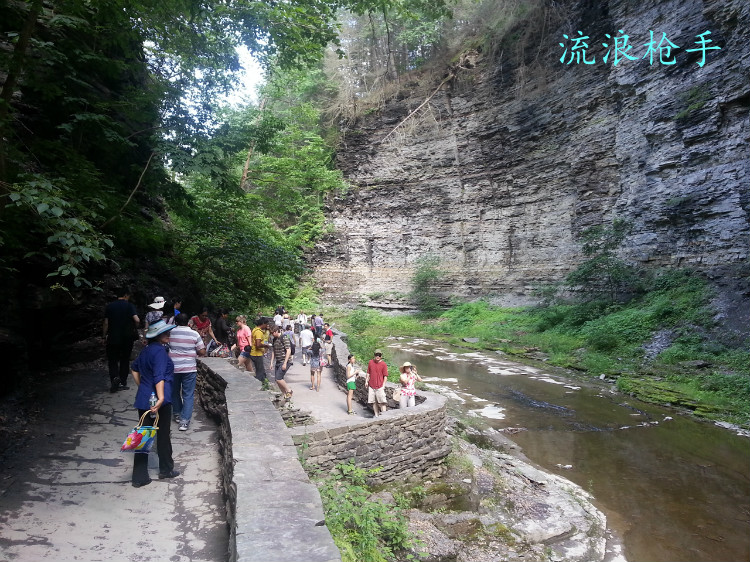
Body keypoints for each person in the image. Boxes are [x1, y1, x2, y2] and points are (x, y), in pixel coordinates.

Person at [130, 319, 179, 487]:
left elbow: (134, 368)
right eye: (165, 333)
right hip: (159, 401)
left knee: (143, 436)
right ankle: (166, 469)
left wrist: (143, 387)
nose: (168, 334)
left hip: (144, 399)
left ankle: (139, 477)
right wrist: (161, 398)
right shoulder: (159, 352)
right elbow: (159, 376)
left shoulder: (146, 350)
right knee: (163, 435)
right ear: (157, 336)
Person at [168, 313, 205, 431]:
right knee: (188, 394)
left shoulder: (170, 333)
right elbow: (202, 351)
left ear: (176, 322)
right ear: (189, 323)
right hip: (189, 368)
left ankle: (177, 413)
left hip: (173, 367)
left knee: (174, 392)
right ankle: (184, 421)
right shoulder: (194, 334)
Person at [103, 286, 140, 393]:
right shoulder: (129, 306)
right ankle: (123, 382)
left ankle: (114, 378)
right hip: (127, 338)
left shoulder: (110, 306)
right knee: (125, 359)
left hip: (113, 337)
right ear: (125, 295)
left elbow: (106, 323)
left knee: (112, 360)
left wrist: (103, 336)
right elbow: (136, 320)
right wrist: (134, 327)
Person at [270, 325, 293, 399]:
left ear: (277, 331)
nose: (272, 334)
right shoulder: (274, 339)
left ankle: (289, 390)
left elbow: (288, 350)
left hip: (285, 361)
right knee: (277, 380)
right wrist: (271, 363)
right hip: (278, 361)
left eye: (273, 333)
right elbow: (274, 351)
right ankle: (284, 394)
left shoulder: (284, 338)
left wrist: (285, 363)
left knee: (278, 378)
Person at [366, 349, 388, 417]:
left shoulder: (383, 364)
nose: (378, 356)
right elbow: (368, 373)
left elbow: (385, 376)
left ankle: (384, 416)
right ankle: (376, 415)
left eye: (379, 355)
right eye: (376, 355)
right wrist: (366, 381)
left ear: (381, 356)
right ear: (374, 355)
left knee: (382, 402)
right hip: (371, 386)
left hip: (380, 386)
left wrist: (383, 385)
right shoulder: (370, 362)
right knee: (374, 402)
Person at [250, 316, 271, 382]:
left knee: (261, 370)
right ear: (263, 324)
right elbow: (258, 344)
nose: (266, 326)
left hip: (255, 353)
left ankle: (265, 382)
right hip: (257, 354)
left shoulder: (255, 329)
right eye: (266, 324)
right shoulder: (258, 332)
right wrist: (265, 345)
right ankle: (258, 385)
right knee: (260, 372)